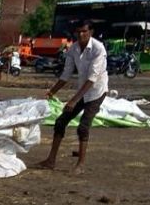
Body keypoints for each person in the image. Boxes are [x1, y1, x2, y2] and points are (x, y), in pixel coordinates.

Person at [35, 20, 108, 175]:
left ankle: (80, 165)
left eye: (84, 32)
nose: (81, 35)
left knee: (83, 126)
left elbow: (92, 78)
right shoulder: (73, 49)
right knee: (61, 121)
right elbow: (66, 73)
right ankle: (51, 160)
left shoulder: (98, 49)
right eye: (78, 32)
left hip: (96, 92)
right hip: (82, 91)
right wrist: (52, 92)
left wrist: (74, 100)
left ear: (91, 32)